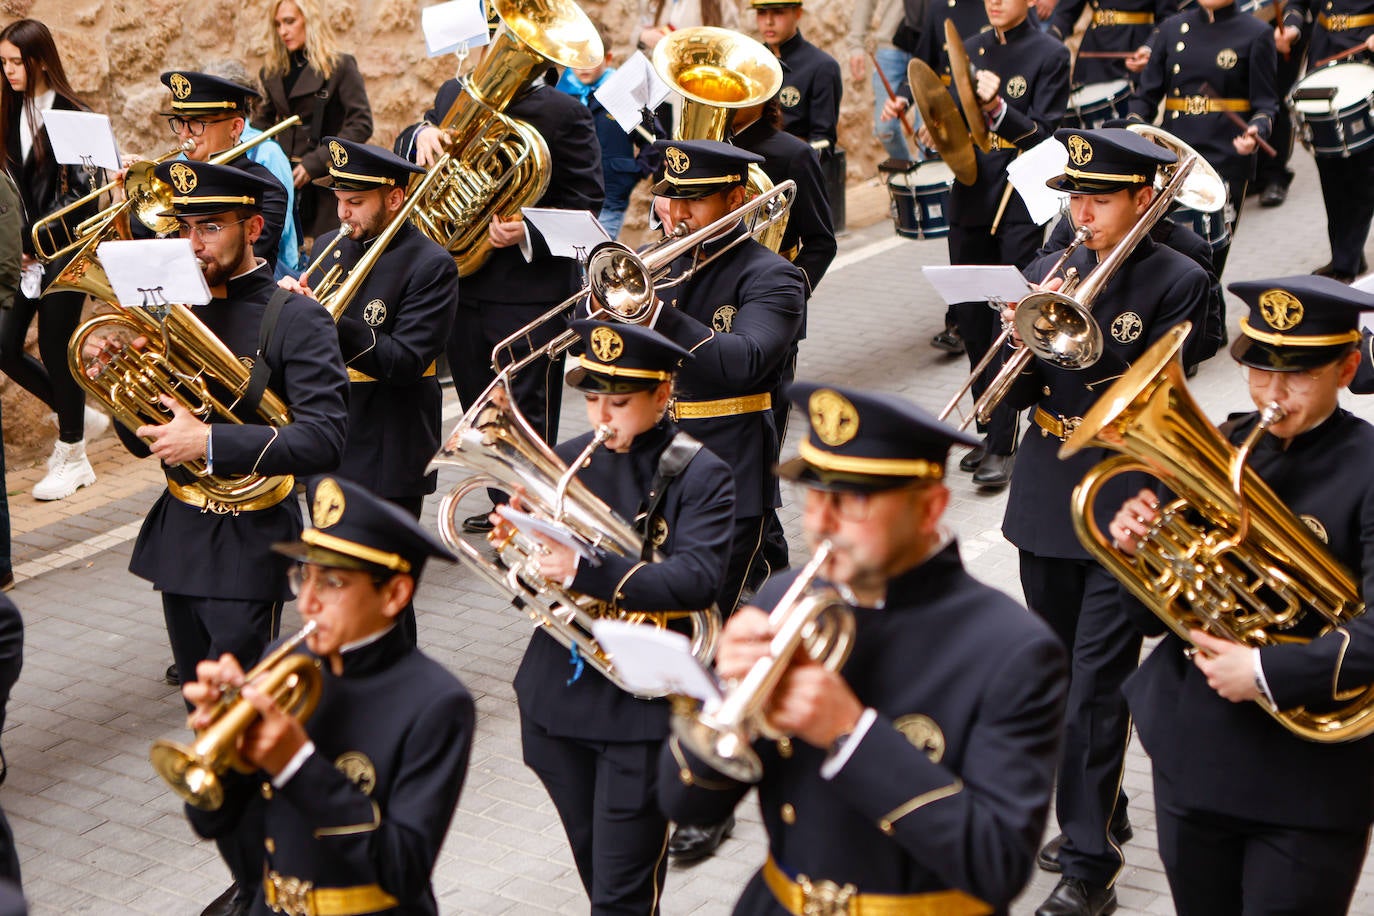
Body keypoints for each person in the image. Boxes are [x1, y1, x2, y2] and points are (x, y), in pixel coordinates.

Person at [658, 381, 1069, 914]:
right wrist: (721, 693)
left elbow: (997, 864)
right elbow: (683, 802)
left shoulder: (1014, 648)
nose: (820, 525)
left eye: (851, 502)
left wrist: (850, 734)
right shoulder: (785, 597)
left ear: (930, 508)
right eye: (814, 496)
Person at [90, 160, 348, 916]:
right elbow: (150, 439)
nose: (193, 244)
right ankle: (252, 874)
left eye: (209, 227)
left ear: (251, 228)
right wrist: (116, 389)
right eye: (185, 228)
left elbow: (325, 439)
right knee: (208, 723)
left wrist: (209, 443)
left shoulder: (295, 317)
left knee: (246, 729)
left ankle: (273, 881)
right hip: (179, 537)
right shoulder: (169, 312)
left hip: (250, 542)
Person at [1110, 276, 1374, 916]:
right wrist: (1138, 551)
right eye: (1258, 372)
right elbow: (1150, 617)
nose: (1272, 395)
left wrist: (1262, 669)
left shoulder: (1369, 468)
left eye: (1298, 375)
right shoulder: (1221, 448)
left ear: (1346, 367)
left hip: (1308, 782)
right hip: (1193, 757)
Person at [996, 128, 1210, 916]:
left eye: (1097, 199)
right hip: (1047, 491)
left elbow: (1163, 396)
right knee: (1057, 681)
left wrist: (1072, 345)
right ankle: (1101, 808)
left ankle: (1090, 865)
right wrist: (1014, 330)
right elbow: (1015, 403)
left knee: (1094, 688)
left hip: (1128, 494)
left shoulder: (1180, 280)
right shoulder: (1052, 268)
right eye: (1074, 198)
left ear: (1142, 199)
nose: (1080, 214)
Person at [500, 320, 735, 914]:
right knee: (595, 868)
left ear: (663, 394)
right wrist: (520, 545)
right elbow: (535, 569)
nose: (603, 417)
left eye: (621, 403)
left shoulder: (703, 473)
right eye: (593, 399)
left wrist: (584, 572)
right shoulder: (571, 458)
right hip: (557, 699)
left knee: (620, 895)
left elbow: (697, 579)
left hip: (641, 712)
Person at [181, 475, 474, 916]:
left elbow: (403, 870)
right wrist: (224, 752)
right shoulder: (282, 657)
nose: (307, 604)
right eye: (305, 577)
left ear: (394, 594)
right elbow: (211, 822)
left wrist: (295, 764)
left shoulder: (437, 702)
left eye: (332, 583)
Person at [647, 139, 805, 865]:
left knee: (711, 643)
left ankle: (708, 791)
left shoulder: (773, 276)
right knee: (682, 628)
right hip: (656, 474)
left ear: (735, 201)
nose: (676, 214)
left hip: (732, 475)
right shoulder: (661, 262)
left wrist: (652, 311)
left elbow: (741, 361)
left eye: (693, 201)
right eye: (670, 198)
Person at [406, 64, 603, 534]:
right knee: (480, 408)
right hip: (464, 284)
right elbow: (419, 155)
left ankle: (532, 514)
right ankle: (502, 505)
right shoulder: (455, 89)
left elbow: (588, 201)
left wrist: (528, 229)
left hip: (528, 295)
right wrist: (420, 135)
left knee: (526, 411)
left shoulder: (564, 113)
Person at [885, 0, 1071, 490]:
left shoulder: (1050, 53)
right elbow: (954, 128)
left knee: (1005, 319)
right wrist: (929, 130)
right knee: (969, 320)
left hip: (1018, 197)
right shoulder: (968, 48)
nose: (994, 1)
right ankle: (988, 424)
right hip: (969, 192)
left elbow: (1049, 139)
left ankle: (1003, 444)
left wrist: (1000, 110)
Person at [281, 137, 457, 644]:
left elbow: (405, 363)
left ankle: (397, 695)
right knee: (332, 585)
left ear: (395, 197)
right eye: (339, 200)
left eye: (356, 202)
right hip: (331, 441)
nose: (343, 214)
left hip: (389, 450)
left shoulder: (430, 265)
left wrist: (329, 321)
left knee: (382, 599)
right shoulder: (337, 245)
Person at [0, 19, 108, 501]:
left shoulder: (74, 115)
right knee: (4, 345)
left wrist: (33, 239)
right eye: (2, 63)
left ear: (39, 60)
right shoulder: (7, 112)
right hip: (21, 258)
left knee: (56, 349)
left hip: (64, 256)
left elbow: (86, 199)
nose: (7, 72)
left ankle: (74, 454)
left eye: (15, 62)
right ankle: (79, 414)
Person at [1126, 0, 1278, 277]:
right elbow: (1145, 97)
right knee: (1167, 257)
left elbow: (1266, 104)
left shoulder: (1256, 32)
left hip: (1225, 154)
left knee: (1210, 258)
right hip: (1172, 157)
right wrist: (1134, 130)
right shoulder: (1172, 28)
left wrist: (1257, 130)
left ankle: (1210, 318)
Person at [254, 0, 373, 245]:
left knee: (326, 256)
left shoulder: (339, 66)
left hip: (326, 183)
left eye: (289, 21)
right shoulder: (272, 71)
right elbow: (261, 126)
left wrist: (314, 163)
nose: (282, 31)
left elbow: (361, 123)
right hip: (283, 181)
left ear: (310, 21)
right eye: (278, 24)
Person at [154, 71, 291, 274]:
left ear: (235, 127)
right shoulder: (172, 180)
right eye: (180, 122)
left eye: (196, 123)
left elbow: (234, 259)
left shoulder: (264, 188)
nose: (184, 134)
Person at [1277, 0, 1374, 280]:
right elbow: (1298, 3)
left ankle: (1345, 263)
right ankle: (1348, 254)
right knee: (1328, 159)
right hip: (1324, 55)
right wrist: (1293, 27)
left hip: (1365, 56)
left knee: (1364, 168)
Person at [555, 19, 663, 240]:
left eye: (592, 59)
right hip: (566, 197)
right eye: (578, 60)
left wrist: (634, 171)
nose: (584, 67)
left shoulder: (622, 93)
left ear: (609, 58)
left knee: (595, 256)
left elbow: (654, 138)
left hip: (610, 198)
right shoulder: (561, 95)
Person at [202, 59, 302, 281]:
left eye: (203, 120)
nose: (189, 134)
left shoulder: (268, 153)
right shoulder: (184, 159)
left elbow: (277, 232)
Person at [751, 0, 843, 152]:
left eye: (778, 12)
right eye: (761, 13)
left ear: (798, 13)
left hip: (793, 168)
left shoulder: (822, 66)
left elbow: (822, 141)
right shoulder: (748, 61)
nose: (768, 21)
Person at [848, 0, 920, 164]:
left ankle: (928, 184)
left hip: (929, 44)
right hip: (890, 47)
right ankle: (911, 173)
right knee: (885, 129)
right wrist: (856, 44)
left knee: (926, 131)